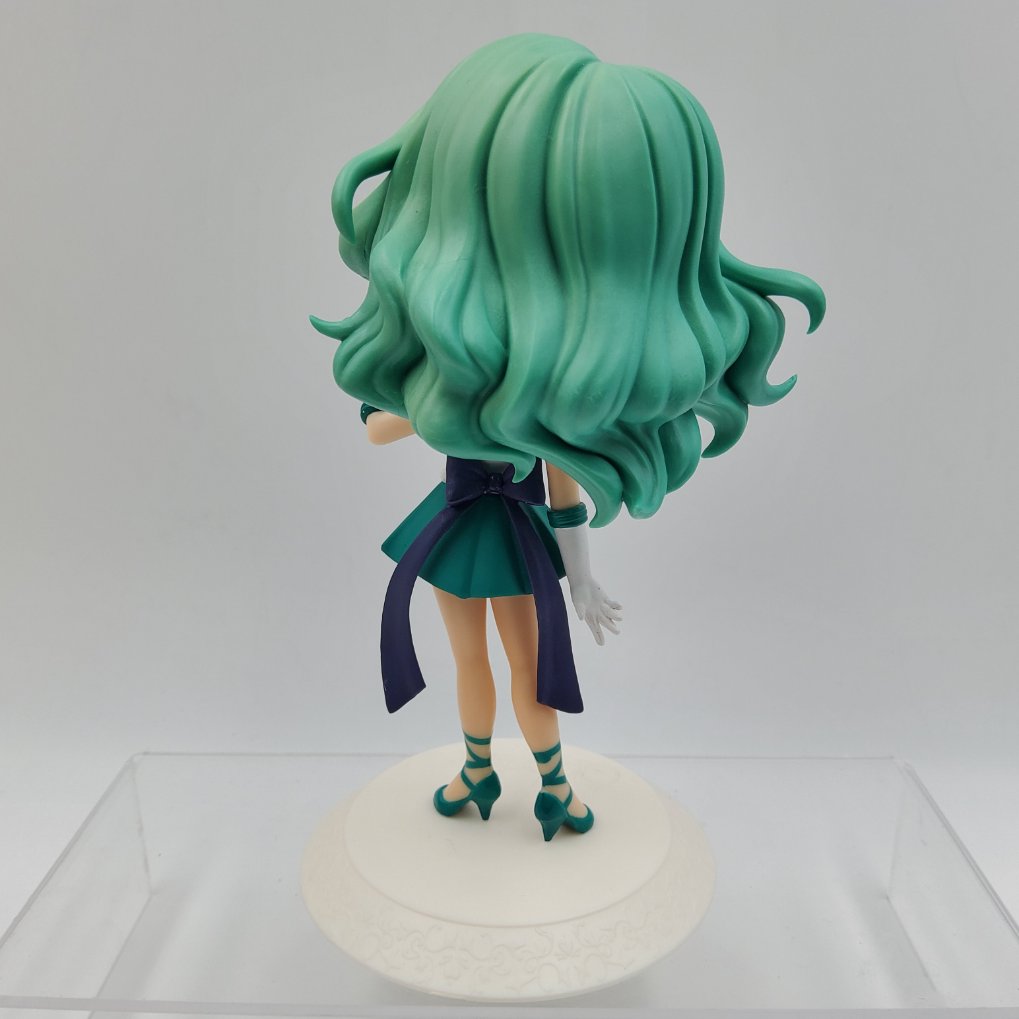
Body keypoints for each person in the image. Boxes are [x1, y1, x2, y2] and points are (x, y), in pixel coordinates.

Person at [311, 33, 825, 841]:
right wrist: (415, 404)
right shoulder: (464, 377)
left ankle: (548, 781)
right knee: (478, 659)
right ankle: (481, 769)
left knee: (527, 663)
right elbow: (386, 431)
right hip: (462, 530)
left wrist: (581, 577)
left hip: (503, 537)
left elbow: (562, 493)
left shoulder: (543, 401)